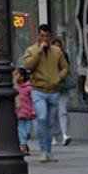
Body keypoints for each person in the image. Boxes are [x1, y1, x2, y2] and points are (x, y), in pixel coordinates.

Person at [22, 23, 68, 163]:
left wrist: (58, 78)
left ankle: (48, 151)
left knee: (50, 123)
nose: (45, 39)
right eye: (42, 36)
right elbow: (27, 66)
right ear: (38, 36)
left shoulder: (57, 51)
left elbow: (65, 67)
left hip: (53, 90)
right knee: (41, 118)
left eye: (47, 36)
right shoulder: (31, 50)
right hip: (38, 90)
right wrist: (39, 52)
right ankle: (43, 150)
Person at [51, 36, 76, 147]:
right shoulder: (47, 57)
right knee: (53, 113)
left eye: (59, 46)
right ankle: (54, 135)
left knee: (62, 111)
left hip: (62, 88)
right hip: (51, 88)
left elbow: (68, 70)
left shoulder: (64, 56)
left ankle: (65, 134)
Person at [14, 66, 36, 155]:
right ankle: (23, 146)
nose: (14, 76)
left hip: (28, 113)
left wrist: (34, 111)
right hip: (18, 113)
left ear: (22, 77)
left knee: (27, 132)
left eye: (16, 74)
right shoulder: (15, 88)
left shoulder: (29, 88)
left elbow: (33, 100)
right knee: (21, 131)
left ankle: (24, 143)